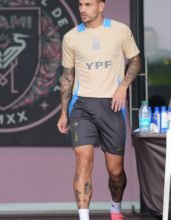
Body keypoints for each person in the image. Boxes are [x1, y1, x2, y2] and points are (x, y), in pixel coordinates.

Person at [56, 0, 141, 220]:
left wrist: (123, 86)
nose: (82, 9)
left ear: (101, 6)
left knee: (116, 171)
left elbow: (135, 61)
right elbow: (67, 77)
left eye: (88, 4)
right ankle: (84, 216)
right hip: (82, 105)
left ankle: (115, 207)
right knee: (82, 160)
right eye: (80, 4)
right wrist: (64, 111)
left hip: (112, 104)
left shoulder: (120, 30)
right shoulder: (71, 37)